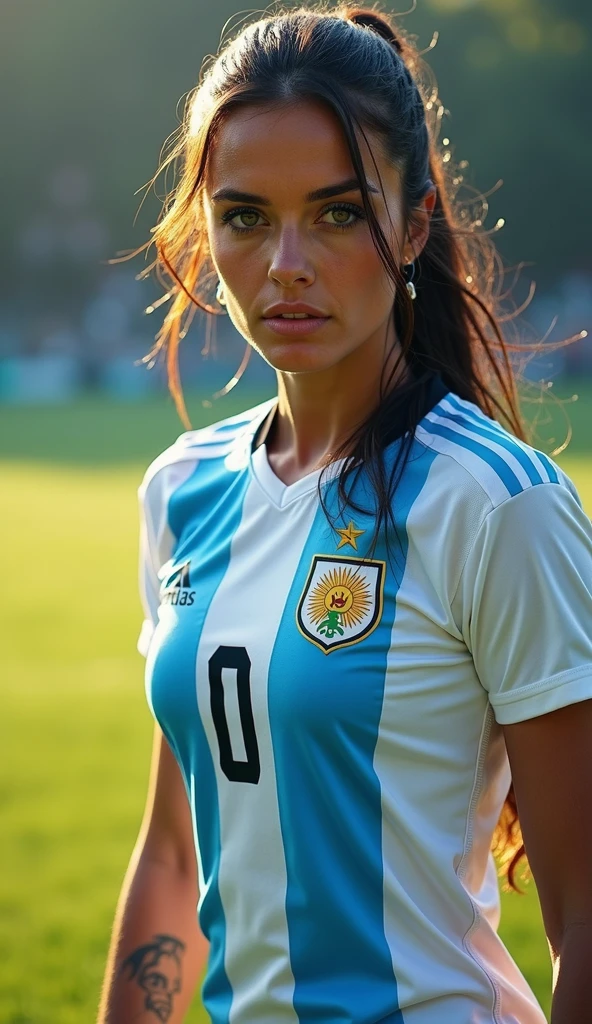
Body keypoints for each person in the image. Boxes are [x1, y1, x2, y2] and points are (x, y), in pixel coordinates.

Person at [97, 5, 592, 1023]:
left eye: (335, 212)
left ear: (414, 224)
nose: (286, 262)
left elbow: (585, 910)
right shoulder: (181, 488)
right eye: (244, 216)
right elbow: (175, 848)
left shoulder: (498, 505)